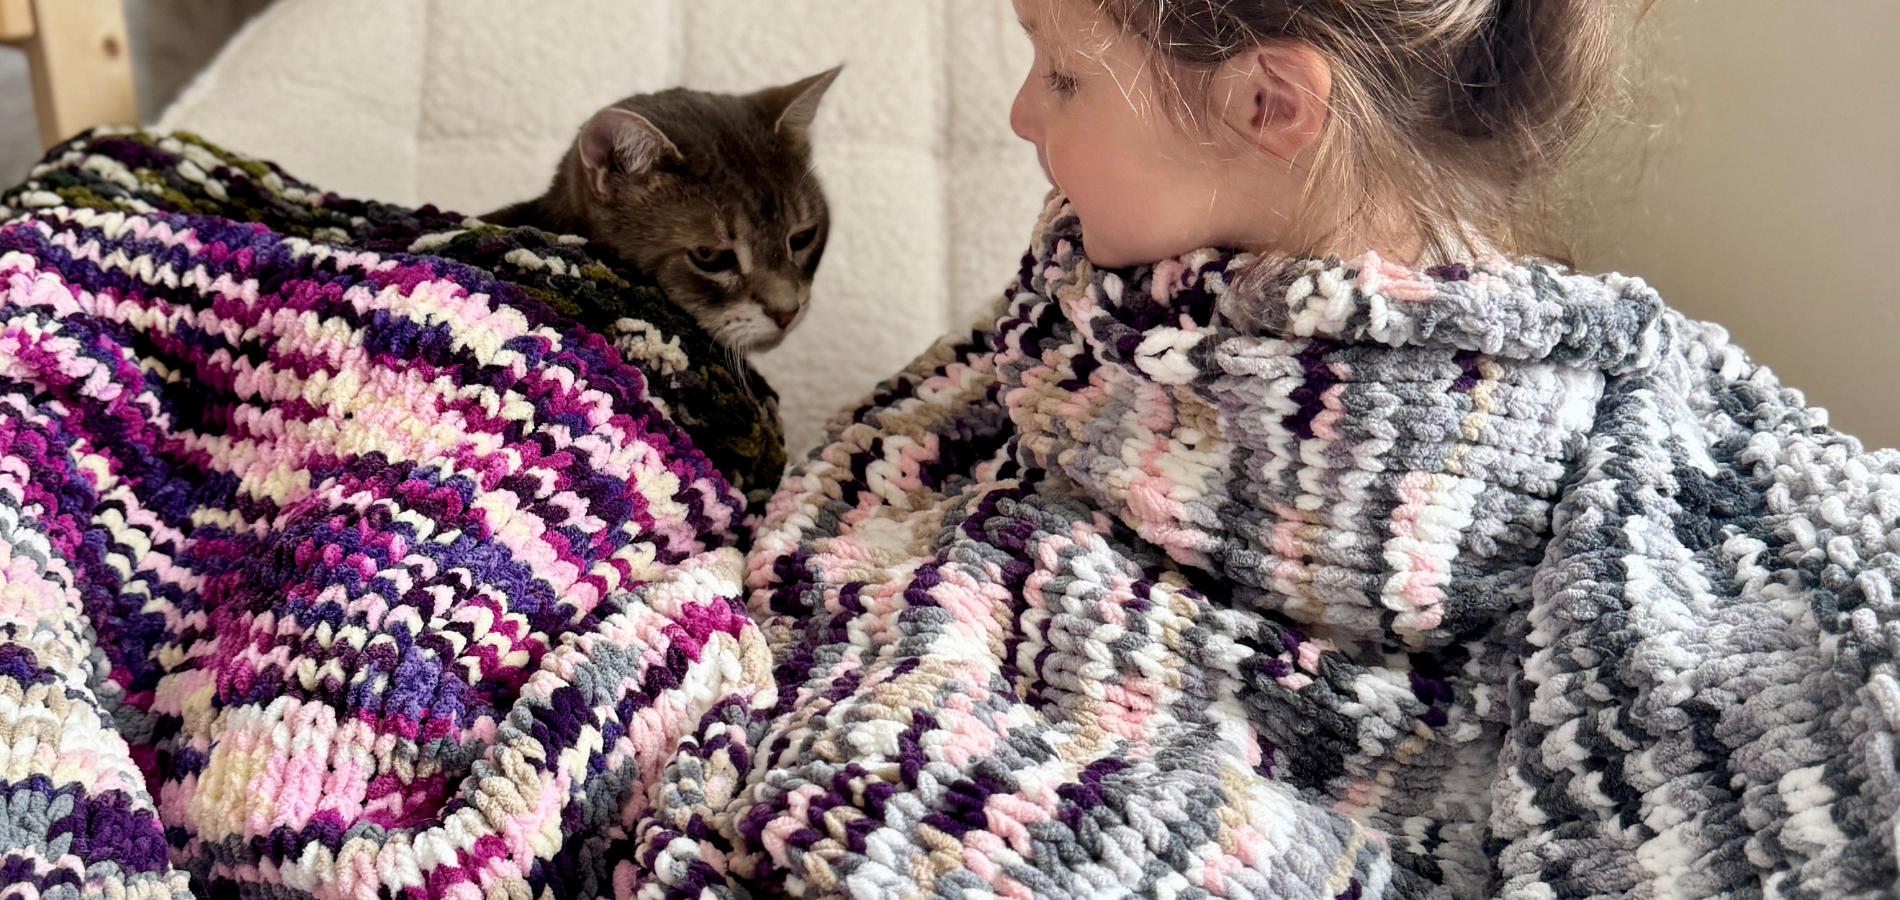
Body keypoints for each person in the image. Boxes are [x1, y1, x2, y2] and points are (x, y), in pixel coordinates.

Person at [738, 0, 1900, 897]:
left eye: (1063, 73)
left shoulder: (1534, 465)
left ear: (1270, 104)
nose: (1019, 115)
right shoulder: (1080, 322)